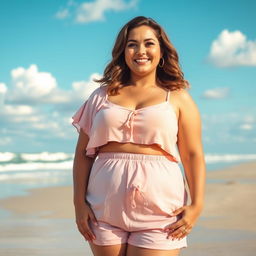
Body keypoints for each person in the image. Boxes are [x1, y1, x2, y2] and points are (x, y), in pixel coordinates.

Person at [71, 16, 206, 256]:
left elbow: (193, 154)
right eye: (132, 44)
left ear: (161, 50)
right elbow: (83, 154)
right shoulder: (100, 96)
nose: (140, 50)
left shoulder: (178, 97)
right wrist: (78, 203)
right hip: (103, 206)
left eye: (149, 43)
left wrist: (196, 205)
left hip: (160, 210)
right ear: (123, 51)